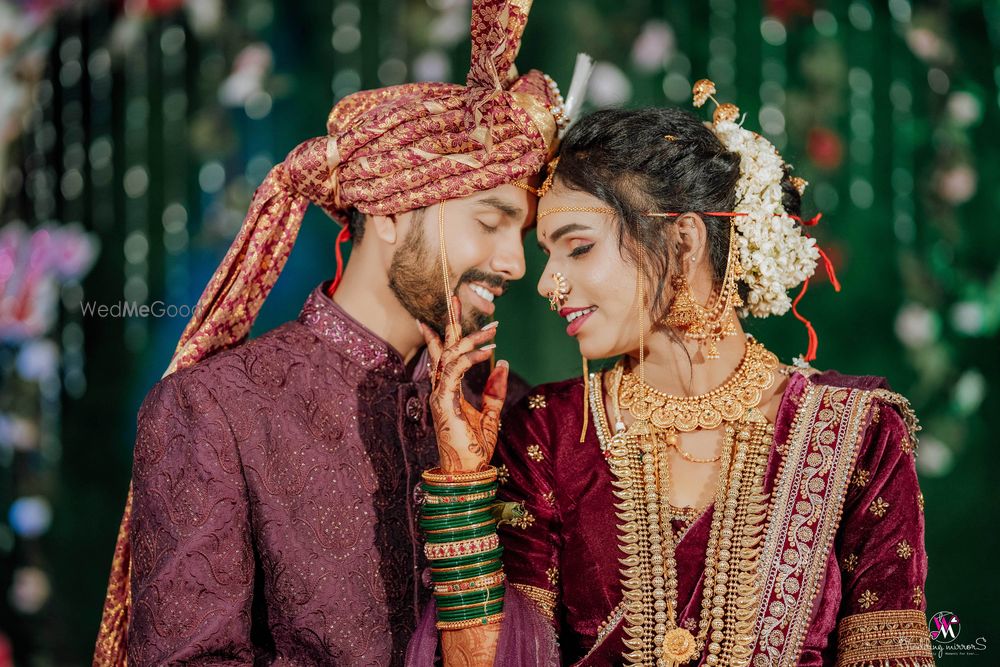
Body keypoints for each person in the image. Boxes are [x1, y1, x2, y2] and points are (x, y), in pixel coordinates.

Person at [91, 1, 581, 664]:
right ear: (388, 208)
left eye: (520, 234)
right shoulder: (217, 411)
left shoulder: (515, 414)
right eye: (488, 221)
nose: (515, 263)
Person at [409, 83, 934, 666]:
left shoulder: (856, 436)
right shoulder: (550, 432)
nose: (546, 284)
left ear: (682, 241)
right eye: (547, 255)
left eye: (577, 248)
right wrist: (460, 484)